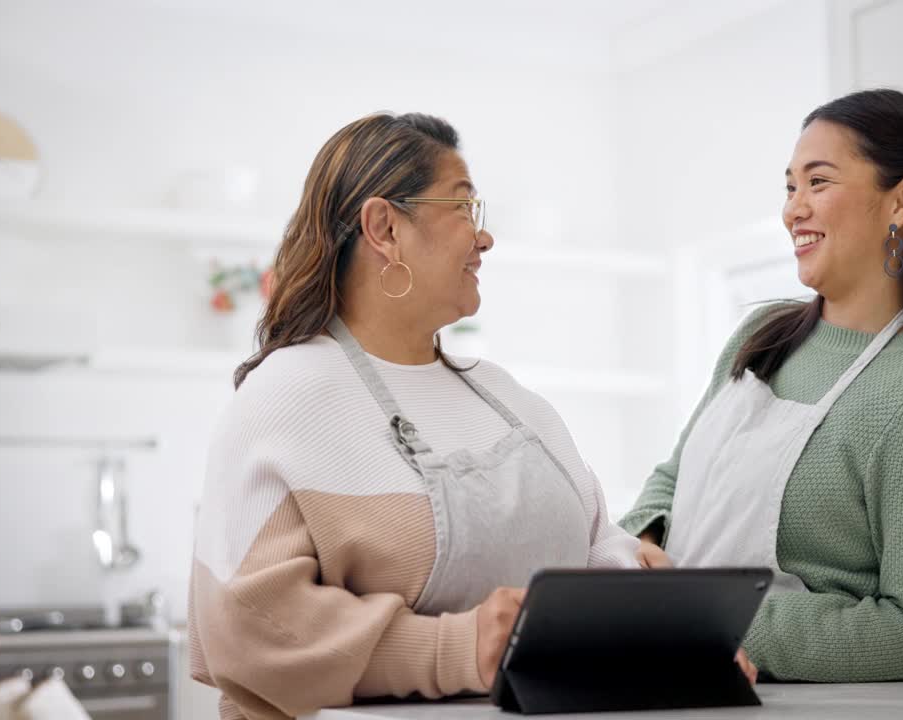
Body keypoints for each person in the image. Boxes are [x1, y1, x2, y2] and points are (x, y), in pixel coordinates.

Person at [187, 112, 652, 719]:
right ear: (384, 227)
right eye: (464, 208)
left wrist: (657, 636)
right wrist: (453, 648)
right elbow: (247, 622)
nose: (484, 239)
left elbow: (594, 543)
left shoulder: (508, 398)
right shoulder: (285, 396)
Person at [622, 88, 903, 682]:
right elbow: (677, 478)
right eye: (790, 187)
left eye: (818, 183)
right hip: (677, 671)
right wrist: (634, 551)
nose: (794, 209)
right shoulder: (762, 337)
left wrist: (707, 618)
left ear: (902, 199)